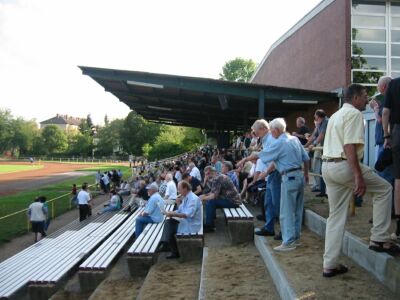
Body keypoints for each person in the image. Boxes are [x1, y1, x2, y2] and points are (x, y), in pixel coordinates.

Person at [322, 83, 399, 278]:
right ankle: (379, 238)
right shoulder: (355, 114)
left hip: (327, 167)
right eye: (365, 95)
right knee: (384, 189)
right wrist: (358, 176)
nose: (367, 99)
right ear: (355, 98)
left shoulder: (336, 115)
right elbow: (349, 146)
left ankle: (329, 265)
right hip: (343, 166)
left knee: (335, 217)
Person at [238, 118, 309, 252]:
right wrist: (306, 174)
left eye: (272, 131)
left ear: (276, 130)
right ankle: (295, 238)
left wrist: (245, 159)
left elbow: (261, 155)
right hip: (299, 175)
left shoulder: (279, 142)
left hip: (289, 176)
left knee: (286, 211)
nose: (271, 133)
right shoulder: (294, 139)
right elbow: (306, 158)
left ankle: (288, 241)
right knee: (297, 210)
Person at [159, 180, 202, 259]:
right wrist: (171, 211)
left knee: (169, 224)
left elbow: (187, 215)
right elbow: (180, 210)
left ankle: (169, 246)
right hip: (187, 221)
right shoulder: (186, 197)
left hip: (192, 224)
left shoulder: (193, 199)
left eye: (179, 189)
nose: (178, 191)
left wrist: (173, 214)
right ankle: (168, 244)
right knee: (169, 222)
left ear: (185, 188)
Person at [383, 77, 400, 240]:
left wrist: (386, 134)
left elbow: (386, 112)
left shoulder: (394, 84)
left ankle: (399, 228)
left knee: (398, 178)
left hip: (398, 132)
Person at [200, 166, 242, 233]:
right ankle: (211, 219)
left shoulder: (218, 178)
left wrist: (203, 198)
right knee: (210, 201)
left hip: (233, 202)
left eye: (206, 174)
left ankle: (210, 226)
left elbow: (213, 196)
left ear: (209, 172)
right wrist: (204, 196)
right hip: (231, 199)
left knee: (211, 202)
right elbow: (213, 192)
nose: (205, 176)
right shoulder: (218, 176)